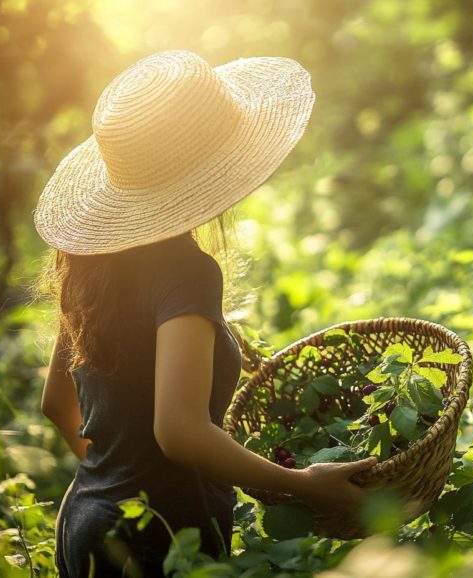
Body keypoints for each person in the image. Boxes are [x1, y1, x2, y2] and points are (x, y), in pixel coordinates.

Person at [34, 49, 378, 578]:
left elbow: (57, 402)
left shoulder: (88, 266)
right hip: (161, 540)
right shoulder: (187, 271)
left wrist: (114, 485)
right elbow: (180, 430)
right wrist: (303, 484)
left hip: (84, 524)